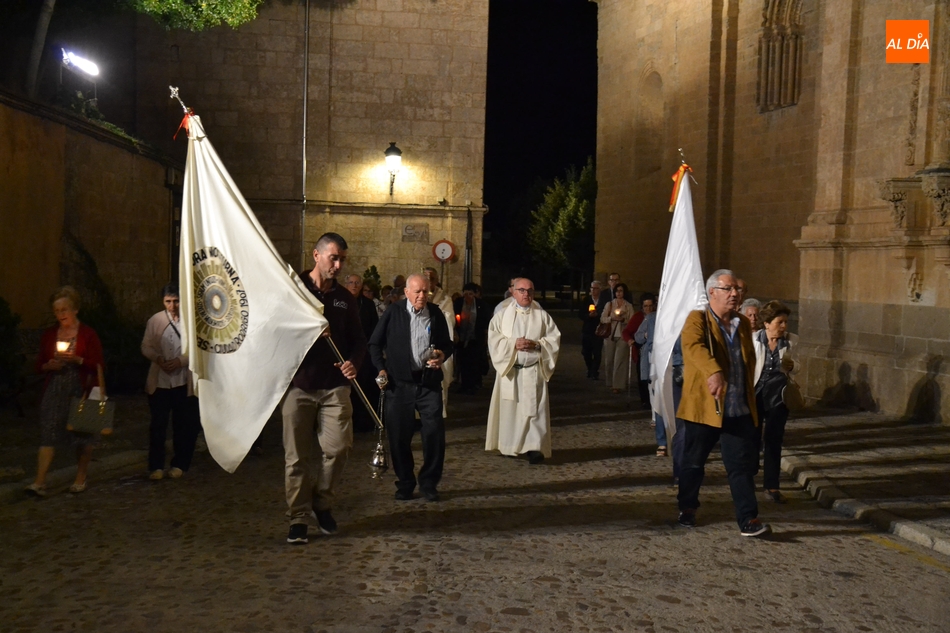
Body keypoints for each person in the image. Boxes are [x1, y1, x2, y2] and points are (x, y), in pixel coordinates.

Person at [282, 233, 366, 545]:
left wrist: (354, 363)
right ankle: (299, 517)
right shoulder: (294, 291)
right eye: (333, 257)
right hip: (298, 385)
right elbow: (276, 330)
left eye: (342, 258)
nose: (339, 264)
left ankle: (322, 501)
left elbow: (359, 340)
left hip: (335, 386)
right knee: (296, 458)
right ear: (316, 255)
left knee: (339, 448)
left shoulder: (346, 298)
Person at [676, 269, 770, 538]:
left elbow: (748, 362)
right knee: (693, 463)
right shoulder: (698, 320)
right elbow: (693, 347)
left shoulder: (741, 323)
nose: (735, 294)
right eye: (728, 289)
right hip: (704, 408)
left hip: (737, 408)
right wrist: (713, 371)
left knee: (740, 467)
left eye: (736, 290)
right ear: (712, 292)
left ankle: (748, 519)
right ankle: (688, 507)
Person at [368, 274, 454, 501]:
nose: (422, 296)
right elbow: (375, 343)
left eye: (425, 291)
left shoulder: (435, 313)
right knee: (398, 436)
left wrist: (442, 355)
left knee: (434, 434)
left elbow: (447, 344)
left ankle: (429, 482)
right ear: (406, 292)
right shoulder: (394, 312)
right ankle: (405, 482)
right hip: (399, 384)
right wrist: (381, 368)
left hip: (428, 384)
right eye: (417, 291)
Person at [25, 286, 104, 496]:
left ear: (75, 309)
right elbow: (39, 363)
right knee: (48, 433)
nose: (61, 315)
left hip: (83, 388)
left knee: (83, 436)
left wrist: (78, 360)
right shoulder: (50, 335)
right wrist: (48, 366)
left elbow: (98, 364)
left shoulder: (88, 334)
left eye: (64, 310)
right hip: (55, 389)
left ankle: (80, 477)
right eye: (57, 311)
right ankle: (40, 481)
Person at [486, 278, 561, 464]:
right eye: (521, 290)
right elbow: (493, 340)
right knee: (510, 410)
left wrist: (537, 344)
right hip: (511, 372)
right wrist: (513, 344)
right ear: (513, 292)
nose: (526, 294)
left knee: (533, 413)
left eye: (530, 290)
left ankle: (534, 448)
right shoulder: (502, 315)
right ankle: (509, 445)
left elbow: (554, 339)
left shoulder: (542, 316)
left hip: (532, 372)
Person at [141, 283, 201, 480]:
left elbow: (196, 347)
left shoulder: (190, 321)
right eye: (168, 301)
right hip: (160, 382)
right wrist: (158, 359)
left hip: (183, 381)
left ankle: (180, 463)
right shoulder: (155, 321)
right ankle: (156, 465)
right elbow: (146, 346)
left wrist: (180, 361)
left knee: (182, 425)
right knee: (158, 425)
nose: (172, 306)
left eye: (176, 301)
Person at [753, 300, 797, 504]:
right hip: (755, 396)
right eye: (780, 322)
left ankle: (772, 486)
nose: (784, 327)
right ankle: (748, 475)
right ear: (767, 323)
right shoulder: (753, 341)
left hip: (778, 398)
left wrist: (793, 366)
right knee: (751, 440)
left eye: (786, 322)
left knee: (773, 442)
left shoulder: (790, 343)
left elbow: (799, 368)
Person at [344, 274, 380, 433]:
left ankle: (361, 422)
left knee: (363, 387)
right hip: (344, 351)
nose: (354, 285)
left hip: (363, 352)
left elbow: (374, 328)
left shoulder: (368, 304)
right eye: (351, 282)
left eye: (357, 283)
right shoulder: (341, 301)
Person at [634, 304, 667, 456]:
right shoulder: (651, 318)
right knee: (656, 392)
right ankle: (662, 439)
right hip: (655, 360)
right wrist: (645, 337)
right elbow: (638, 336)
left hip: (673, 362)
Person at [423, 267, 456, 412]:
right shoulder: (416, 296)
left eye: (432, 279)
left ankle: (437, 411)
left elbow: (449, 320)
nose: (429, 282)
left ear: (437, 281)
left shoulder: (445, 299)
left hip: (437, 344)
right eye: (426, 278)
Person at [453, 282, 489, 393]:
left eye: (470, 294)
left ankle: (474, 384)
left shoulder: (480, 305)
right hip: (461, 337)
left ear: (474, 294)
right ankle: (465, 384)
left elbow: (485, 321)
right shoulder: (458, 304)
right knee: (463, 362)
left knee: (474, 362)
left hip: (475, 337)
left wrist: (485, 337)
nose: (467, 297)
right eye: (465, 294)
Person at [600, 283, 634, 394]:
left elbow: (632, 322)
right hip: (610, 334)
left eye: (621, 291)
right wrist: (612, 318)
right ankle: (609, 381)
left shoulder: (628, 306)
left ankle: (618, 384)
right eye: (617, 291)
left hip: (623, 335)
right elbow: (602, 318)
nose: (619, 293)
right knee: (609, 360)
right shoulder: (609, 304)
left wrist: (623, 320)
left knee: (620, 360)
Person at [623, 293, 656, 407]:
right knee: (643, 377)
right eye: (645, 306)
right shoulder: (638, 317)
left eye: (650, 306)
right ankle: (645, 400)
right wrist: (631, 341)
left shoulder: (656, 317)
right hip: (640, 351)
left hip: (654, 352)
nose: (648, 309)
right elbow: (627, 332)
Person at [579, 280, 603, 380]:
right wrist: (588, 316)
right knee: (586, 351)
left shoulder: (602, 301)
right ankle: (590, 368)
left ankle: (594, 371)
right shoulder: (586, 300)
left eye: (596, 288)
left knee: (597, 352)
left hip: (599, 329)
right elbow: (580, 314)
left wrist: (598, 315)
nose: (593, 290)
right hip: (588, 329)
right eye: (592, 288)